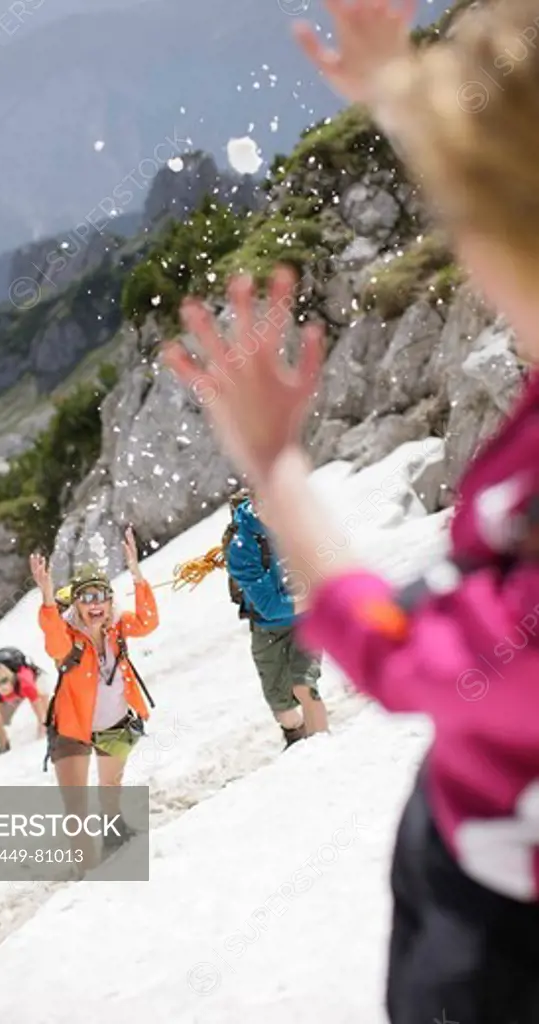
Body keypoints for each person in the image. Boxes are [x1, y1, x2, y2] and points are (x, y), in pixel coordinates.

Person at [164, 0, 539, 1018]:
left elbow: (389, 639)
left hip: (492, 949)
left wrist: (274, 468)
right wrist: (404, 97)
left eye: (469, 224)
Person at [29, 527, 158, 851]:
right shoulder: (68, 636)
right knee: (76, 805)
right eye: (86, 598)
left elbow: (149, 621)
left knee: (111, 785)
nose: (95, 603)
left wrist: (136, 573)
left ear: (110, 600)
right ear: (76, 604)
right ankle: (85, 869)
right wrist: (46, 595)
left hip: (115, 723)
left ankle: (114, 833)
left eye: (101, 595)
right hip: (72, 728)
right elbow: (54, 642)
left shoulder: (119, 625)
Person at [224, 487, 328, 747]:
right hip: (267, 629)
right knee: (282, 709)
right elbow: (270, 606)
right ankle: (296, 736)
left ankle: (325, 750)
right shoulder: (242, 546)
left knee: (305, 686)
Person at [0, 647, 48, 758]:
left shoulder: (25, 682)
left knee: (46, 710)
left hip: (35, 682)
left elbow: (38, 709)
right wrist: (2, 742)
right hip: (13, 695)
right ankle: (4, 747)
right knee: (0, 724)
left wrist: (42, 732)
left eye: (4, 681)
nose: (1, 686)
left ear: (10, 677)